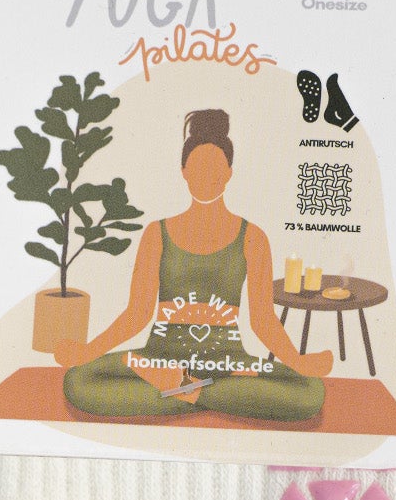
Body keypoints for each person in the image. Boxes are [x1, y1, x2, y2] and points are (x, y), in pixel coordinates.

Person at [55, 108, 330, 421]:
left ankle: (193, 391)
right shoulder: (156, 233)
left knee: (310, 390)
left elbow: (262, 320)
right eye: (198, 167)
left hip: (228, 364)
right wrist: (88, 351)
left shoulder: (253, 237)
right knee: (78, 381)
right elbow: (137, 314)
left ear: (229, 172)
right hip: (159, 360)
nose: (207, 177)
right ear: (183, 171)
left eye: (216, 168)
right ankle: (222, 395)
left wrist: (297, 361)